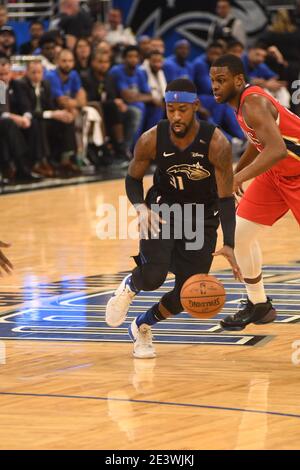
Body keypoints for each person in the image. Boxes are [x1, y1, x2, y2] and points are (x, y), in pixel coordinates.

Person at [105, 78, 241, 358]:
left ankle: (142, 326)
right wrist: (140, 208)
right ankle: (131, 286)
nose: (176, 116)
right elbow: (132, 179)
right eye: (170, 109)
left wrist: (229, 242)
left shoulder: (217, 142)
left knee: (188, 293)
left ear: (195, 106)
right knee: (154, 275)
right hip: (162, 209)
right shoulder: (152, 138)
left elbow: (227, 198)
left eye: (182, 109)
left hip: (202, 216)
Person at [210, 54, 300, 330]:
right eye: (213, 81)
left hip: (296, 173)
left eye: (221, 80)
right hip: (276, 174)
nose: (215, 86)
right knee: (240, 235)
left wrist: (237, 177)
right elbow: (259, 141)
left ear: (239, 80)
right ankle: (259, 304)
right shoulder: (240, 104)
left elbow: (276, 149)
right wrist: (240, 170)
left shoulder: (253, 103)